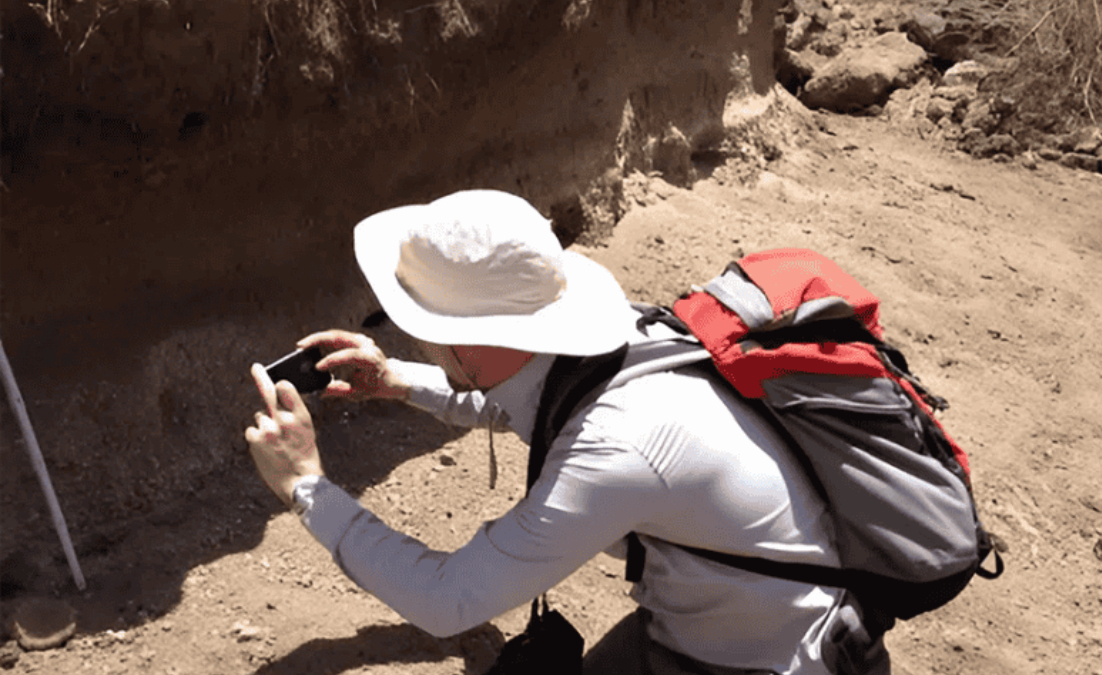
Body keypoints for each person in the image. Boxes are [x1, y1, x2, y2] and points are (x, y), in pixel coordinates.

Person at [244, 190, 849, 674]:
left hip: (762, 660)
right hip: (741, 619)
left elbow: (446, 600)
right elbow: (523, 402)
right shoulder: (626, 338)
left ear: (469, 338)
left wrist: (306, 486)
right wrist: (394, 378)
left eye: (417, 323)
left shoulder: (615, 449)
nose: (415, 338)